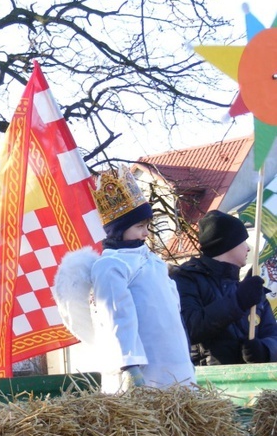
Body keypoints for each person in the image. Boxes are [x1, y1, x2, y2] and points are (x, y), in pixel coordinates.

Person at [54, 166, 195, 392]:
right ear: (119, 230)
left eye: (147, 226)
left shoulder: (154, 262)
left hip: (175, 365)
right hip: (146, 370)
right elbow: (116, 315)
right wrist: (129, 364)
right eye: (139, 226)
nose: (146, 233)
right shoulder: (111, 266)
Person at [170, 210, 277, 365]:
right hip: (206, 384)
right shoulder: (186, 279)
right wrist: (238, 302)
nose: (248, 248)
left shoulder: (250, 288)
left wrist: (265, 350)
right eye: (243, 242)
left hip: (252, 384)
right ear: (228, 244)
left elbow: (273, 335)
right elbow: (189, 328)